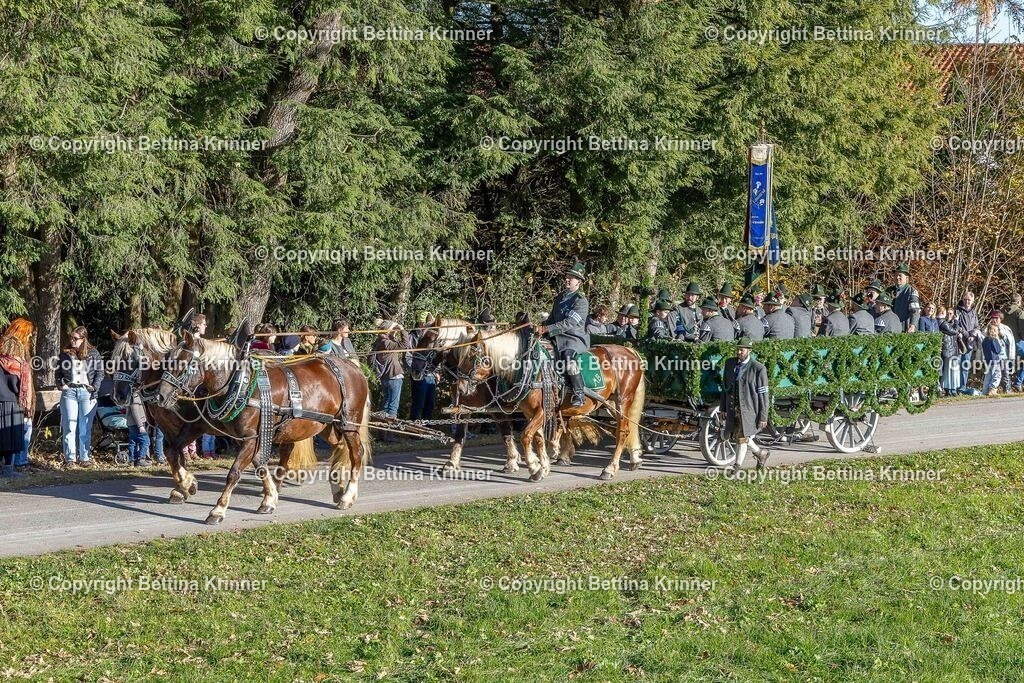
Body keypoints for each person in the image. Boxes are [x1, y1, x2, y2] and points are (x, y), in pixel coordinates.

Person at [536, 263, 590, 407]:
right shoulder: (560, 297)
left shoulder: (581, 301)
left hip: (573, 339)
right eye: (567, 276)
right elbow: (552, 319)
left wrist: (547, 329)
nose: (567, 279)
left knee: (568, 359)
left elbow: (569, 323)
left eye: (571, 277)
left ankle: (579, 393)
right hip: (556, 337)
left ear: (579, 282)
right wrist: (540, 327)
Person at [55, 326, 103, 469]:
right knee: (69, 426)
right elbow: (58, 372)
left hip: (86, 392)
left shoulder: (93, 353)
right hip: (69, 391)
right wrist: (61, 384)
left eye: (75, 338)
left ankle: (84, 457)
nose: (72, 340)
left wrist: (94, 386)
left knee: (85, 427)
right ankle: (70, 459)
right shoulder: (64, 353)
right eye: (71, 337)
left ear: (83, 339)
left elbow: (100, 372)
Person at [720, 337, 771, 473]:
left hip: (749, 410)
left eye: (742, 350)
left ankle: (736, 466)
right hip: (733, 408)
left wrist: (763, 416)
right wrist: (722, 408)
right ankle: (761, 453)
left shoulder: (758, 368)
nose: (739, 352)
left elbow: (763, 395)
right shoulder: (730, 363)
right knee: (739, 436)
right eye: (738, 349)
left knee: (742, 438)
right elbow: (725, 388)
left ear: (749, 351)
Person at [371, 321, 409, 418]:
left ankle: (383, 425)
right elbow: (404, 344)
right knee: (392, 406)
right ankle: (390, 425)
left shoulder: (379, 341)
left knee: (386, 403)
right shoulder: (386, 343)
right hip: (393, 376)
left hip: (385, 377)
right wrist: (402, 330)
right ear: (387, 331)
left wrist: (393, 333)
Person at [408, 312, 438, 421]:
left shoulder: (432, 336)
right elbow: (408, 354)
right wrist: (414, 369)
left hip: (430, 374)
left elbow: (435, 354)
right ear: (421, 323)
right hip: (418, 374)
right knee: (418, 403)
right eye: (427, 323)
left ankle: (427, 425)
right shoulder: (413, 336)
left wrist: (436, 371)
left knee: (430, 404)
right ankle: (414, 425)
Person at [0, 360, 25, 479]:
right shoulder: (17, 363)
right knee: (10, 439)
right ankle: (8, 470)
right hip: (12, 402)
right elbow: (23, 387)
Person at [955, 292, 982, 391]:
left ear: (973, 301)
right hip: (959, 341)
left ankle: (963, 387)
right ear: (962, 299)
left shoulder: (973, 312)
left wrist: (973, 336)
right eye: (965, 299)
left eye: (969, 300)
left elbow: (977, 327)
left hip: (969, 343)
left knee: (965, 365)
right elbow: (956, 325)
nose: (967, 302)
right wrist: (966, 334)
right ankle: (954, 387)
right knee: (956, 365)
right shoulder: (957, 310)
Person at [990, 311, 1016, 393]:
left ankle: (1007, 390)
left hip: (1004, 356)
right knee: (994, 375)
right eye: (993, 318)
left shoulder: (1005, 328)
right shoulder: (988, 328)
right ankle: (992, 390)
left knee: (1005, 374)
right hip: (993, 356)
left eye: (996, 318)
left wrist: (1003, 336)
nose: (994, 320)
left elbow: (1010, 342)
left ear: (1000, 318)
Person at [125, 384, 151, 467]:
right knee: (146, 441)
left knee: (133, 442)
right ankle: (141, 459)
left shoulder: (130, 395)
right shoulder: (135, 396)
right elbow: (135, 411)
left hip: (131, 423)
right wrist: (140, 426)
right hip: (137, 423)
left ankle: (132, 461)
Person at [892, 263, 922, 332]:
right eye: (896, 275)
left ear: (907, 278)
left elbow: (915, 310)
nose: (897, 277)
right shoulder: (890, 290)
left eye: (900, 275)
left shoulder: (912, 291)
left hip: (905, 327)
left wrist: (913, 324)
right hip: (892, 326)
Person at [938, 306, 961, 396]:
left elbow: (960, 331)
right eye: (947, 313)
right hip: (947, 349)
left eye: (951, 314)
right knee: (947, 371)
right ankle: (947, 389)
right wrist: (956, 322)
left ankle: (953, 388)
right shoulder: (944, 324)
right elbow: (954, 331)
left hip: (954, 349)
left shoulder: (954, 324)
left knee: (954, 371)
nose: (949, 315)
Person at [982, 323, 1003, 396]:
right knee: (997, 375)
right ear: (993, 331)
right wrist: (998, 340)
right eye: (997, 331)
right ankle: (992, 389)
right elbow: (998, 350)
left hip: (988, 361)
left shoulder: (985, 340)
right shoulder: (994, 340)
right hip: (995, 361)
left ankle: (985, 391)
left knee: (988, 376)